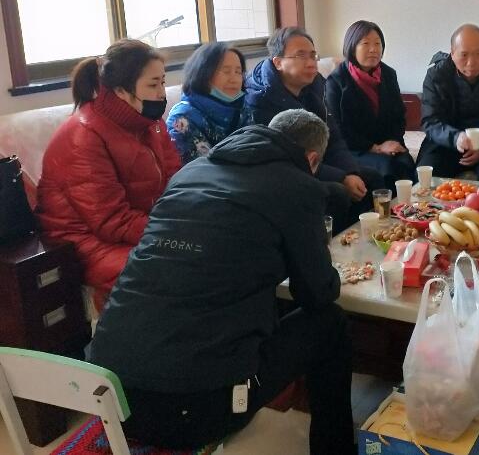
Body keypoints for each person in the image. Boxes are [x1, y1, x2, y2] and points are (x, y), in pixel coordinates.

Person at [87, 109, 354, 455]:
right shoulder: (298, 186)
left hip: (110, 395)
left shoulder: (189, 173)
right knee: (331, 323)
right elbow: (318, 293)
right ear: (312, 159)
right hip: (193, 409)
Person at [36, 39, 181, 311]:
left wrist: (192, 218)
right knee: (176, 271)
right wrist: (174, 232)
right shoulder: (83, 135)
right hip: (86, 240)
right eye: (153, 85)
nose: (162, 93)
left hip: (137, 227)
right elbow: (112, 221)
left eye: (163, 82)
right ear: (120, 90)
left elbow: (176, 180)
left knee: (214, 248)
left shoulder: (150, 122)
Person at [244, 26, 383, 232]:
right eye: (301, 56)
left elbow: (333, 138)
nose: (311, 62)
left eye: (312, 55)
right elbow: (288, 160)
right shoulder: (260, 101)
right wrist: (341, 177)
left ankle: (367, 238)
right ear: (278, 62)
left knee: (371, 178)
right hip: (285, 174)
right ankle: (332, 245)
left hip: (318, 165)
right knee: (338, 193)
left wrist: (350, 171)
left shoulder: (314, 87)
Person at [417, 23, 479, 183]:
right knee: (427, 176)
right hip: (447, 142)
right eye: (464, 55)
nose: (471, 62)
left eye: (478, 54)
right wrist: (455, 138)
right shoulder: (436, 75)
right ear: (452, 53)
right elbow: (430, 122)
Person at [326, 20, 415, 191]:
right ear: (352, 47)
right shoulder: (336, 81)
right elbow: (338, 128)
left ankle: (413, 206)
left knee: (406, 162)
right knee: (386, 168)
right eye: (366, 44)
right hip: (355, 149)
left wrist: (393, 141)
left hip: (387, 144)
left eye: (377, 44)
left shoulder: (388, 74)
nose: (373, 49)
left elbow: (399, 116)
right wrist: (375, 148)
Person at [166, 43, 247, 163]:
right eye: (226, 71)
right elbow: (200, 169)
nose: (234, 79)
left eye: (238, 72)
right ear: (203, 74)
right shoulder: (182, 119)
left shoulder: (242, 107)